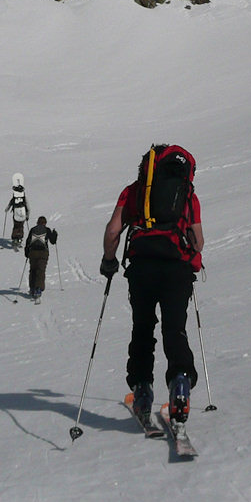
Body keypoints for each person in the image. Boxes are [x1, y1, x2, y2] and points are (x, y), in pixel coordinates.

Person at [100, 145, 204, 423]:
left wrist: (108, 261)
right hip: (177, 269)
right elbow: (198, 241)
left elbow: (113, 231)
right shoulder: (187, 194)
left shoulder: (132, 191)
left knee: (143, 328)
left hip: (142, 268)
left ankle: (143, 391)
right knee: (175, 328)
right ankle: (180, 384)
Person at [23, 215, 58, 300]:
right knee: (41, 270)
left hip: (33, 253)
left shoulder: (33, 229)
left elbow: (28, 241)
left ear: (37, 222)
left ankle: (32, 288)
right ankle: (38, 289)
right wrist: (55, 234)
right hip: (43, 253)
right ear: (45, 223)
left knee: (33, 270)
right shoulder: (47, 230)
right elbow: (53, 241)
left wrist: (27, 253)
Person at [6, 173, 28, 248]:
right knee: (21, 226)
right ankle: (19, 238)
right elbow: (27, 206)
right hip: (23, 212)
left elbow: (10, 203)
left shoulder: (15, 197)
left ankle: (15, 238)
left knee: (16, 226)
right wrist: (28, 215)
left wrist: (7, 209)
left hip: (16, 212)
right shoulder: (23, 197)